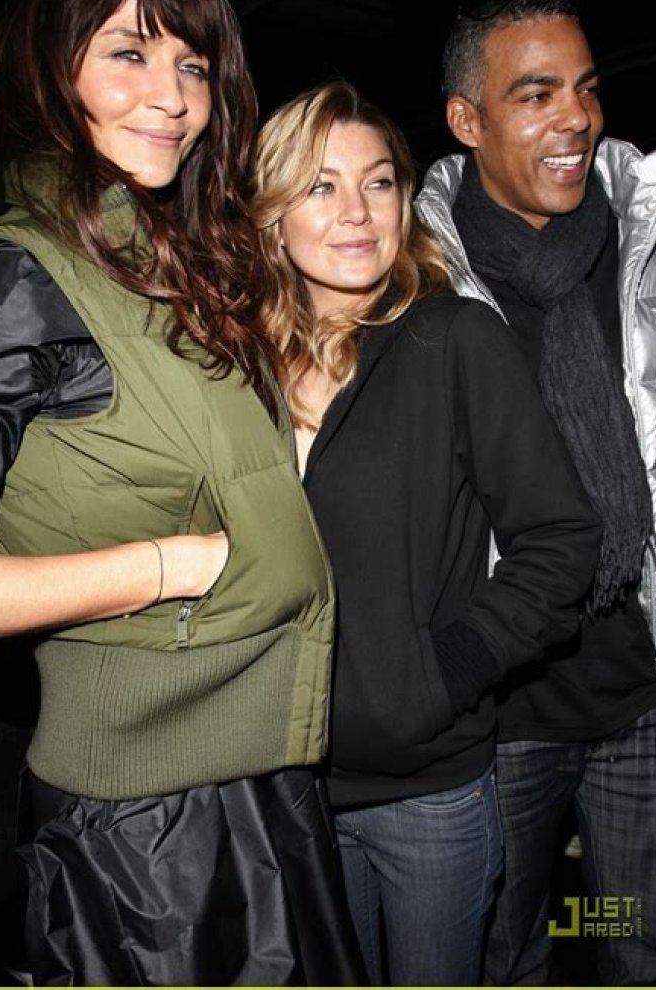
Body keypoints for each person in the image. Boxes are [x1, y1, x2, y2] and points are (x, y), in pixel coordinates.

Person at [0, 0, 365, 986]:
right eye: (128, 53)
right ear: (49, 66)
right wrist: (165, 567)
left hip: (263, 781)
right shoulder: (12, 280)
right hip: (142, 834)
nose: (174, 97)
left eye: (192, 64)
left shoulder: (172, 261)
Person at [250, 79, 602, 986]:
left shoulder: (453, 340)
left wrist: (442, 674)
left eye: (379, 182)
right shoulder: (234, 363)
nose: (358, 212)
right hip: (275, 781)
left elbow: (562, 540)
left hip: (427, 789)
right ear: (272, 213)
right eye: (321, 186)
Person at [415, 0, 656, 987]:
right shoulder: (410, 274)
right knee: (504, 952)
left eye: (587, 86)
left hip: (644, 688)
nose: (576, 116)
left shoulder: (651, 236)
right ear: (466, 120)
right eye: (536, 94)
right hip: (502, 710)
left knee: (636, 942)